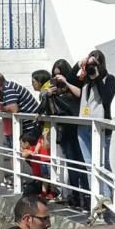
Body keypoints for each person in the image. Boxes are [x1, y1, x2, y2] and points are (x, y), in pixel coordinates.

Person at [42, 59, 85, 208]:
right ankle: (74, 196)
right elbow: (48, 111)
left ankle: (84, 196)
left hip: (76, 131)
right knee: (71, 165)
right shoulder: (55, 93)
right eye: (55, 76)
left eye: (60, 75)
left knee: (81, 164)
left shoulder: (73, 86)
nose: (57, 79)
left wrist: (66, 82)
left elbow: (77, 100)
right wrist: (48, 96)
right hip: (64, 132)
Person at [75, 50, 115, 197]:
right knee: (88, 164)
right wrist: (79, 65)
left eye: (95, 64)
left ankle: (107, 198)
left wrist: (97, 77)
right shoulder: (85, 82)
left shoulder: (109, 79)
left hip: (101, 128)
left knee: (102, 163)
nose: (92, 67)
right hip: (84, 127)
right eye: (90, 64)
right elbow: (69, 82)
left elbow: (106, 99)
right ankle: (95, 197)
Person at [0, 72, 40, 145]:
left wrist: (1, 109)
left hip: (31, 127)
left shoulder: (9, 88)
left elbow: (13, 109)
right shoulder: (5, 89)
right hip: (26, 127)